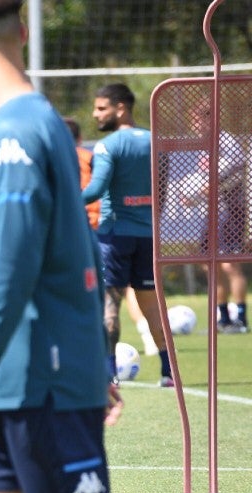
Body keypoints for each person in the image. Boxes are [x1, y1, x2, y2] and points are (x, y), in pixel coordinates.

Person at [0, 1, 141, 493]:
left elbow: (14, 269)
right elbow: (72, 251)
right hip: (14, 372)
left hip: (40, 375)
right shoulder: (26, 123)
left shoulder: (18, 133)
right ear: (23, 32)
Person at [82, 83, 173, 387]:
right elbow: (161, 188)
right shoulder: (154, 141)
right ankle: (168, 372)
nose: (96, 115)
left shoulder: (109, 146)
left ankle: (109, 375)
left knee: (110, 303)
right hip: (147, 236)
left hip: (114, 235)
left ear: (121, 108)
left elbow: (95, 190)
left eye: (101, 108)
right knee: (152, 306)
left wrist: (63, 200)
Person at [186, 102, 248, 334]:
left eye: (197, 120)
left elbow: (230, 171)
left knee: (230, 264)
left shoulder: (226, 141)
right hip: (214, 213)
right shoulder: (206, 145)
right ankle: (223, 319)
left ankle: (240, 319)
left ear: (209, 119)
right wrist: (197, 195)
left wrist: (200, 191)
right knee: (208, 263)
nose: (194, 125)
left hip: (231, 211)